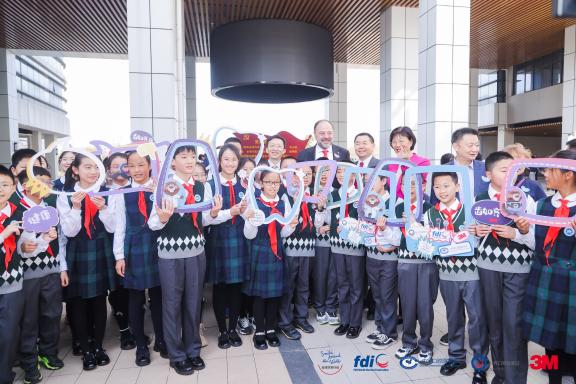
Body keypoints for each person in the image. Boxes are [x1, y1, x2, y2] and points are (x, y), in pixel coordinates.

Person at [147, 145, 223, 375]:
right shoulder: (164, 187)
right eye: (183, 157)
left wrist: (213, 213)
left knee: (193, 302)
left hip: (197, 253)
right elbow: (153, 223)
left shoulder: (202, 186)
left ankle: (193, 350)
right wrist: (161, 218)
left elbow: (205, 220)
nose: (190, 161)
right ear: (172, 162)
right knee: (171, 305)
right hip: (170, 255)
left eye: (192, 156)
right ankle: (176, 354)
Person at [473, 151, 534, 384]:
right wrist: (476, 233)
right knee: (494, 325)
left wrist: (518, 233)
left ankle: (515, 379)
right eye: (503, 170)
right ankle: (500, 376)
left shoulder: (525, 198)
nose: (510, 174)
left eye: (513, 169)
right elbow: (472, 236)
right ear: (488, 174)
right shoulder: (480, 199)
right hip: (487, 268)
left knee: (514, 326)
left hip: (518, 270)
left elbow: (534, 239)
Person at [57, 154, 117, 370]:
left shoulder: (106, 193)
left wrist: (102, 208)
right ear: (75, 170)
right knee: (78, 304)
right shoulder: (65, 196)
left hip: (100, 249)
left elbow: (112, 228)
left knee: (100, 301)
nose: (92, 172)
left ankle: (99, 346)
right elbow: (67, 233)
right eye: (87, 167)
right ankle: (86, 349)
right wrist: (75, 207)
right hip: (77, 251)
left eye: (95, 167)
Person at [426, 172, 488, 383]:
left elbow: (483, 241)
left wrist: (479, 233)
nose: (442, 191)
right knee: (453, 316)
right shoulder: (430, 215)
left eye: (446, 186)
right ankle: (456, 356)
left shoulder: (471, 211)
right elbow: (428, 245)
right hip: (446, 273)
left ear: (457, 186)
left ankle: (480, 364)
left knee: (477, 319)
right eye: (437, 187)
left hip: (472, 273)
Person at [523, 150, 576, 384]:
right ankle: (554, 379)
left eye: (550, 169)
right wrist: (523, 230)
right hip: (545, 277)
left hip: (573, 282)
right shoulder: (541, 205)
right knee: (551, 338)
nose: (544, 174)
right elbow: (533, 241)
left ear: (568, 175)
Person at [112, 151, 167, 366]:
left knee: (158, 296)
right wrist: (119, 256)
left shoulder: (161, 188)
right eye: (132, 165)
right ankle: (141, 347)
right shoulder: (122, 192)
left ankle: (161, 340)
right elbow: (119, 226)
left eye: (141, 164)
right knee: (135, 299)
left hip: (158, 244)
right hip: (134, 247)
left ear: (150, 165)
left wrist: (158, 195)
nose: (137, 169)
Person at [15, 167, 65, 383]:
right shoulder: (16, 209)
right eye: (41, 181)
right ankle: (29, 362)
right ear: (26, 185)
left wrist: (62, 267)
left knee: (52, 314)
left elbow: (61, 241)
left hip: (52, 270)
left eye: (48, 181)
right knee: (29, 320)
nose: (47, 186)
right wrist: (40, 241)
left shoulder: (50, 207)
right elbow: (21, 249)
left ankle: (48, 353)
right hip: (27, 275)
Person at [243, 170, 298, 350]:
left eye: (276, 183)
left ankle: (271, 330)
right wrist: (251, 221)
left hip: (277, 252)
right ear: (261, 184)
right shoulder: (254, 203)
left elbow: (283, 233)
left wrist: (291, 226)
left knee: (275, 294)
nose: (273, 186)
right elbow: (248, 235)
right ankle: (259, 330)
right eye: (269, 182)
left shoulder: (283, 204)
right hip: (259, 251)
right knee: (260, 295)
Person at [206, 144, 248, 349]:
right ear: (219, 162)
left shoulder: (245, 184)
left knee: (236, 287)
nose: (230, 163)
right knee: (220, 286)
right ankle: (222, 330)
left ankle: (233, 329)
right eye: (226, 159)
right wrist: (228, 212)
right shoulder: (210, 185)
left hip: (240, 239)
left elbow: (251, 213)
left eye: (234, 160)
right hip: (219, 240)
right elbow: (207, 219)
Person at [278, 165, 325, 340]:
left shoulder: (314, 197)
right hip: (290, 248)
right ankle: (284, 322)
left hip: (309, 248)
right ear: (293, 177)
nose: (304, 177)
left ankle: (301, 318)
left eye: (308, 174)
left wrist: (320, 209)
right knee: (288, 287)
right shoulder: (285, 196)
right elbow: (284, 223)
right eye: (300, 174)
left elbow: (318, 224)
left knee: (304, 286)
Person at [394, 179, 437, 365]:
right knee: (407, 303)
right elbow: (395, 238)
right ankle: (409, 341)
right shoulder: (396, 208)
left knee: (425, 304)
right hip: (404, 260)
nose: (410, 188)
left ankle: (426, 344)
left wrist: (413, 222)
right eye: (406, 184)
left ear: (422, 187)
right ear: (401, 188)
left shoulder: (431, 208)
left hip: (427, 261)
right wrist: (381, 229)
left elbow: (434, 236)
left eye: (414, 184)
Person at [363, 175, 401, 350]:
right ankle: (381, 328)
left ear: (385, 181)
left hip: (389, 258)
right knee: (377, 295)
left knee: (387, 295)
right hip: (371, 255)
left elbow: (399, 236)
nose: (368, 184)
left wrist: (385, 230)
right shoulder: (365, 203)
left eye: (372, 180)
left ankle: (390, 333)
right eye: (365, 181)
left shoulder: (397, 203)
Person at [328, 162, 365, 339]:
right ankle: (345, 320)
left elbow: (367, 221)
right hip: (336, 246)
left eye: (345, 171)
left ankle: (355, 323)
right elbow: (327, 219)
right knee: (342, 285)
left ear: (354, 175)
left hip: (355, 246)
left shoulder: (362, 195)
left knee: (356, 286)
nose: (341, 175)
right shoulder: (332, 195)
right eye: (339, 172)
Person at [104, 152, 136, 351]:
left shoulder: (140, 188)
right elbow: (111, 226)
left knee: (135, 289)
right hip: (112, 245)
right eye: (115, 166)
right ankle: (124, 331)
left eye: (125, 165)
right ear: (108, 170)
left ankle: (136, 327)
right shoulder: (104, 193)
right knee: (117, 290)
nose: (121, 169)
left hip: (135, 245)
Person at [0, 165, 24, 384]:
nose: (0, 189)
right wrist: (5, 233)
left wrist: (44, 238)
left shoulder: (19, 211)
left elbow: (26, 246)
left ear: (13, 186)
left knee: (9, 332)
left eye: (5, 184)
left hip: (12, 280)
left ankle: (5, 375)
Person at [311, 159, 339, 327]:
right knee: (320, 275)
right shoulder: (309, 193)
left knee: (334, 276)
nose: (324, 174)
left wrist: (332, 226)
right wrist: (318, 228)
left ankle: (331, 307)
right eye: (320, 171)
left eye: (327, 170)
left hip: (335, 241)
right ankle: (320, 307)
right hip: (318, 241)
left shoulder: (337, 192)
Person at [388, 126, 430, 199]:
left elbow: (418, 185)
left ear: (411, 142)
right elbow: (393, 188)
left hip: (417, 203)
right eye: (394, 142)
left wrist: (407, 162)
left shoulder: (423, 162)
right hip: (396, 204)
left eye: (401, 141)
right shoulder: (391, 164)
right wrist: (400, 163)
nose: (397, 145)